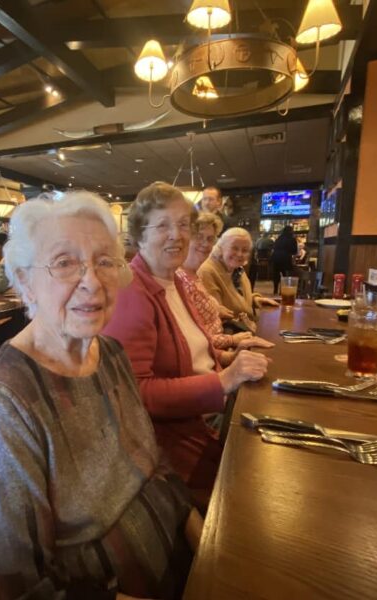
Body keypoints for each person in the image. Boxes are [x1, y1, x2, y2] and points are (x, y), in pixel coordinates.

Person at [0, 190, 202, 600]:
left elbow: (156, 470)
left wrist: (209, 551)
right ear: (25, 281)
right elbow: (16, 588)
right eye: (64, 262)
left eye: (104, 261)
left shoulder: (110, 353)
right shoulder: (5, 401)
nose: (91, 280)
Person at [102, 182, 269, 507]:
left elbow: (188, 352)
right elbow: (136, 394)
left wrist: (232, 355)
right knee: (259, 490)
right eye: (163, 225)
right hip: (174, 442)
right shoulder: (132, 293)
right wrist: (224, 380)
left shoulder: (176, 279)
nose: (177, 235)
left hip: (207, 412)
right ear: (139, 235)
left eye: (182, 225)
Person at [178, 212, 273, 365]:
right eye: (199, 237)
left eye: (210, 239)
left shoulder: (232, 271)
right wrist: (232, 343)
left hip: (220, 350)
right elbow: (192, 339)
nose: (205, 243)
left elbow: (232, 301)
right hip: (214, 354)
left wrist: (255, 298)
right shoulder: (191, 277)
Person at [198, 227, 279, 331]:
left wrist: (255, 300)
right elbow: (217, 316)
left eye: (245, 250)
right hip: (230, 336)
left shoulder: (237, 269)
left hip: (247, 329)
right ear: (220, 248)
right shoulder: (207, 271)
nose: (240, 254)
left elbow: (236, 298)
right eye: (234, 248)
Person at [270, 225, 298, 295]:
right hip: (285, 258)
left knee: (276, 274)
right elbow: (294, 251)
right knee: (286, 275)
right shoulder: (292, 239)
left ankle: (275, 289)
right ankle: (283, 290)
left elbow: (274, 248)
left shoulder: (278, 238)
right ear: (291, 231)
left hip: (275, 257)